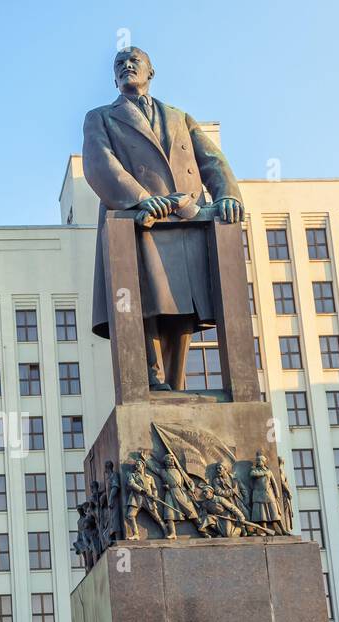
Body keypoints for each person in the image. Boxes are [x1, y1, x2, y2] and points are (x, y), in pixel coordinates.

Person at [82, 47, 244, 391]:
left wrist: (227, 194)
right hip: (140, 221)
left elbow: (213, 161)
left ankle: (176, 384)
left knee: (182, 305)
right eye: (119, 64)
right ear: (114, 78)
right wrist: (143, 199)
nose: (127, 66)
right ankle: (152, 380)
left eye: (134, 61)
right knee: (149, 302)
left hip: (186, 219)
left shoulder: (179, 117)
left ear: (150, 73)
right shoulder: (101, 117)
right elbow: (100, 164)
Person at [249, 452, 283, 532]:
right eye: (257, 460)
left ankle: (282, 530)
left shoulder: (269, 471)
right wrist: (264, 473)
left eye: (260, 460)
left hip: (269, 493)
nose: (258, 462)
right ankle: (266, 530)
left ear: (263, 462)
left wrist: (277, 494)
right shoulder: (254, 470)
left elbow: (274, 483)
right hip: (258, 494)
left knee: (274, 512)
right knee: (262, 514)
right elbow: (253, 474)